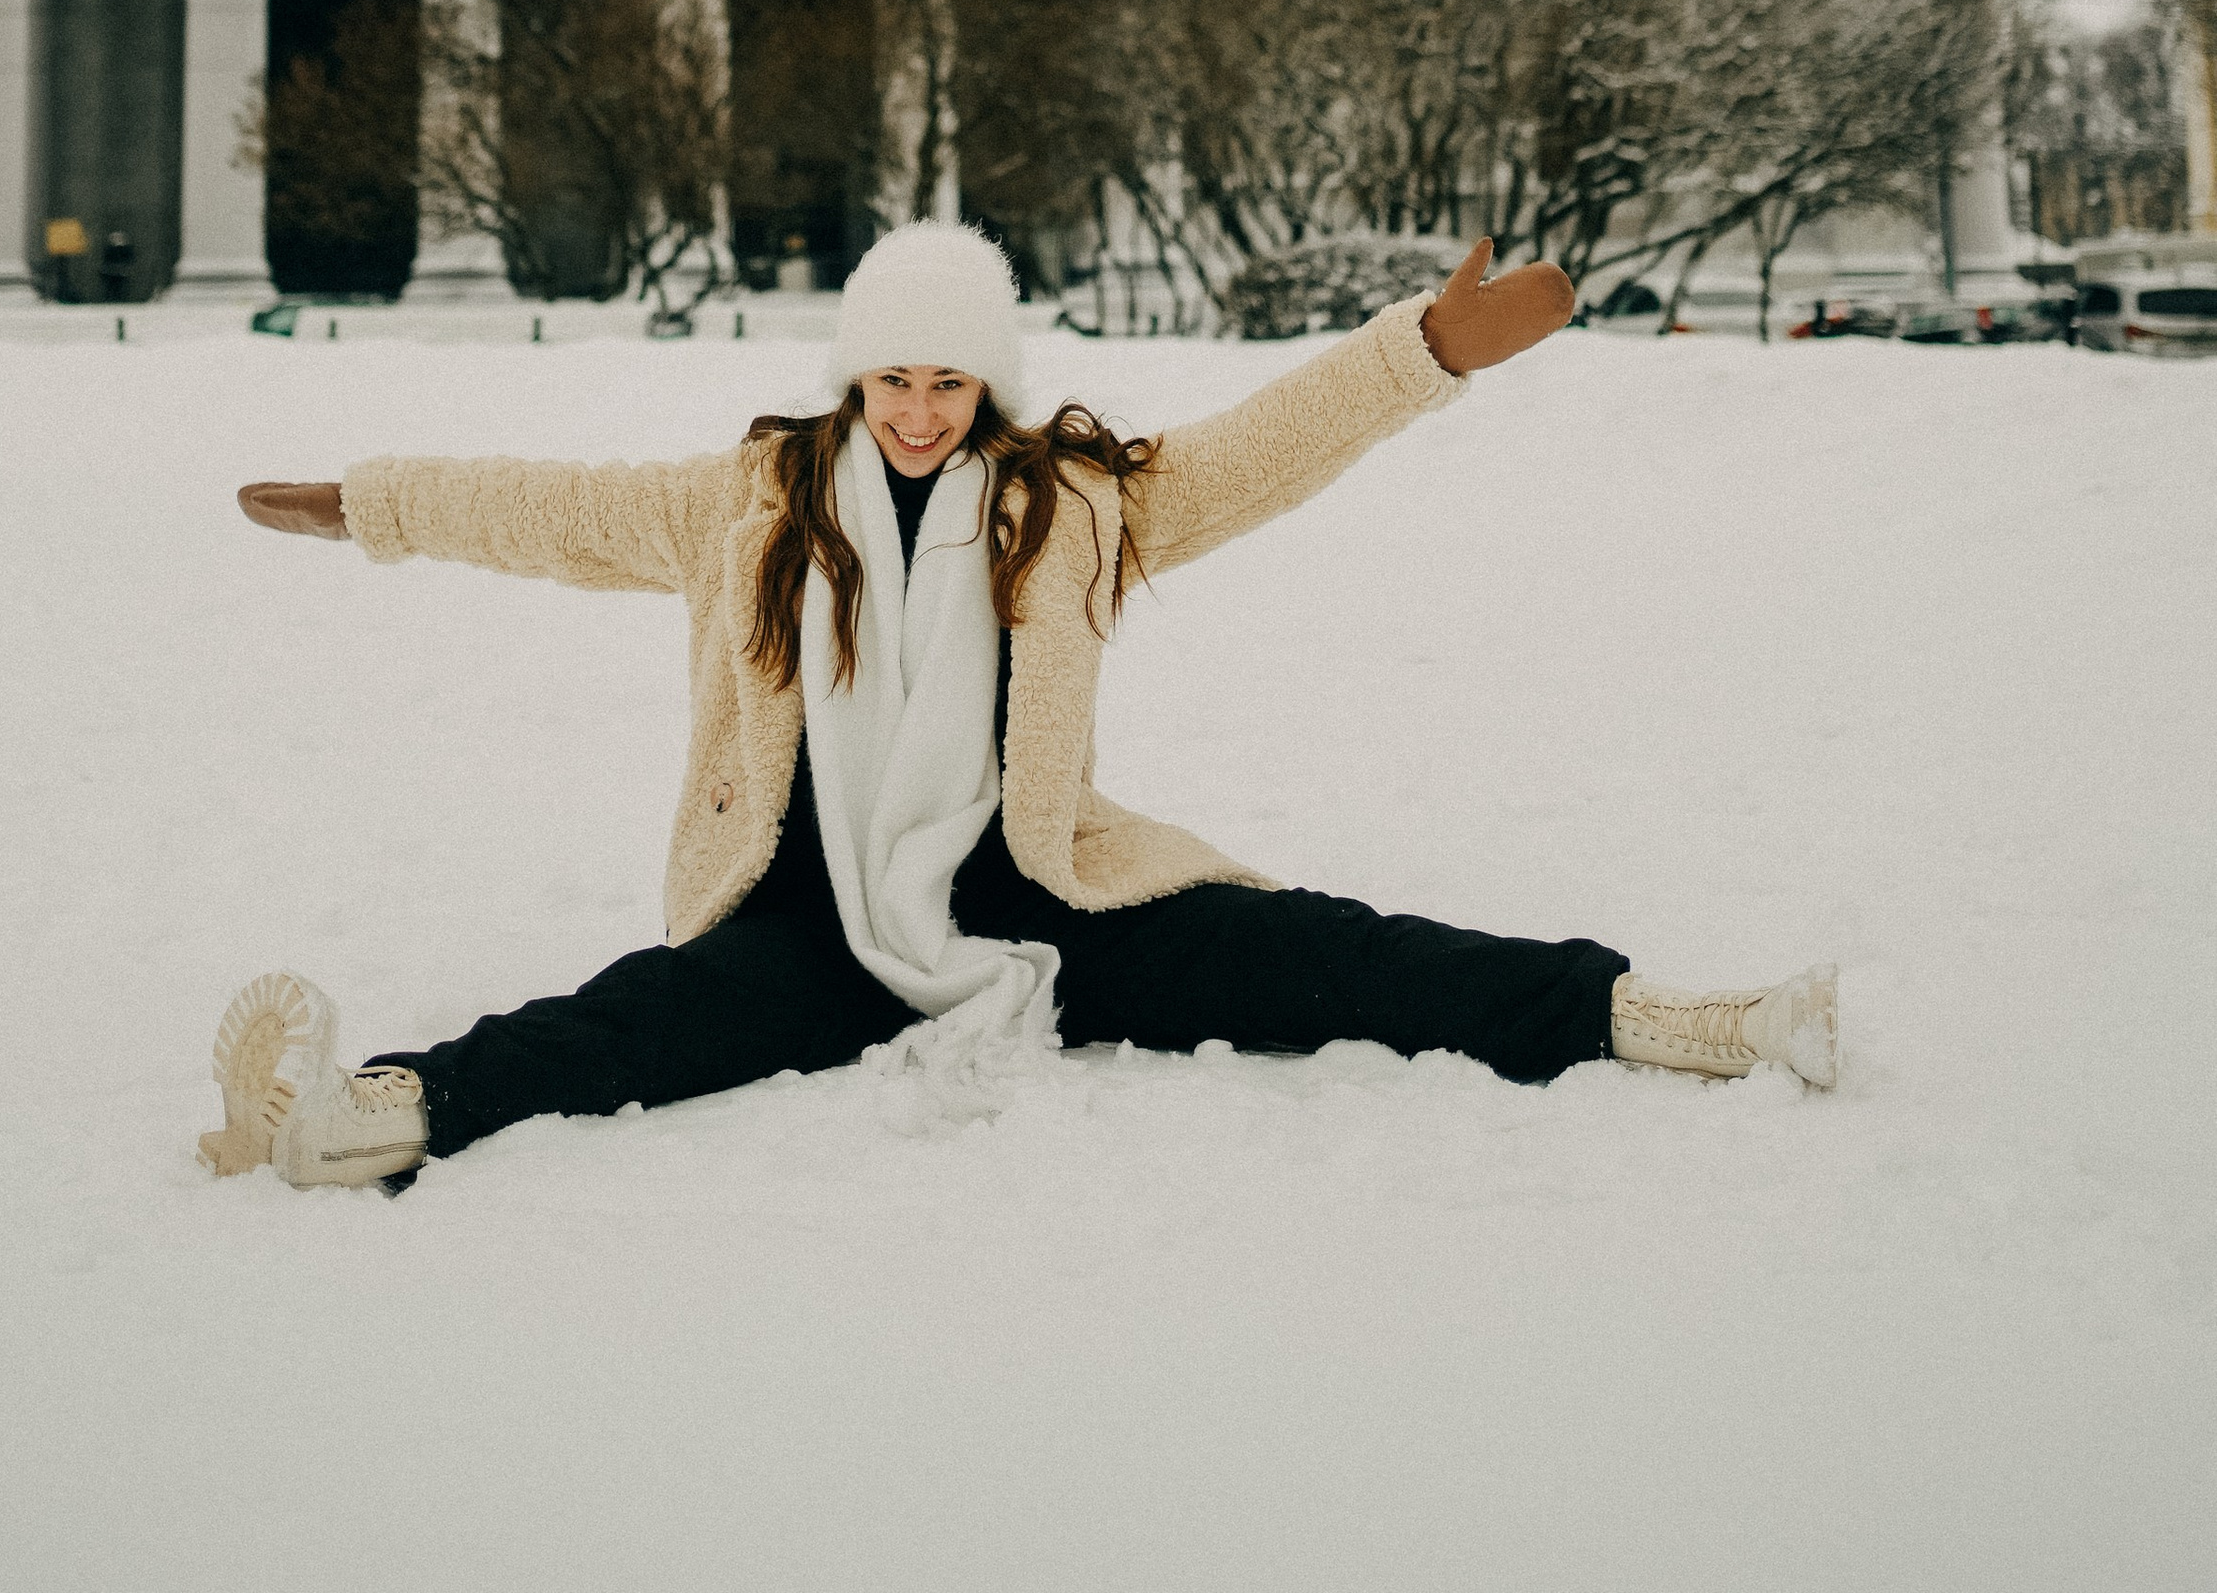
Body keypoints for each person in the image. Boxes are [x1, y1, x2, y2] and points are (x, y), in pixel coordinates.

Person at [209, 227, 1836, 1191]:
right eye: (893, 382)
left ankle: (1671, 1020)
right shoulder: (755, 503)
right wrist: (377, 502)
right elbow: (558, 508)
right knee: (633, 1025)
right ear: (856, 382)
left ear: (988, 386)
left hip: (1040, 883)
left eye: (949, 384)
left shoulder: (1077, 503)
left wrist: (1426, 352)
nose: (919, 415)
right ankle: (373, 1112)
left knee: (1338, 957)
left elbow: (1271, 441)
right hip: (808, 908)